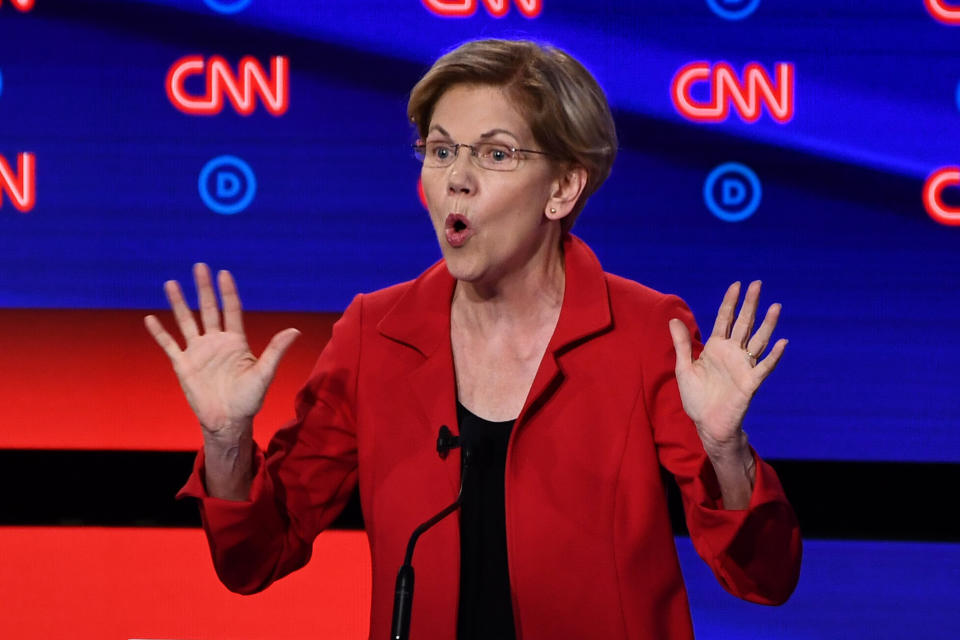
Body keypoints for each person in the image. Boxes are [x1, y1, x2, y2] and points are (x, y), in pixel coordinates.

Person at [145, 39, 801, 640]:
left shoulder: (644, 333)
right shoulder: (375, 335)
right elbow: (256, 558)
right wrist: (228, 445)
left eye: (494, 153)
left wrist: (726, 452)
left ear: (564, 188)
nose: (456, 177)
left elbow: (766, 579)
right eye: (440, 149)